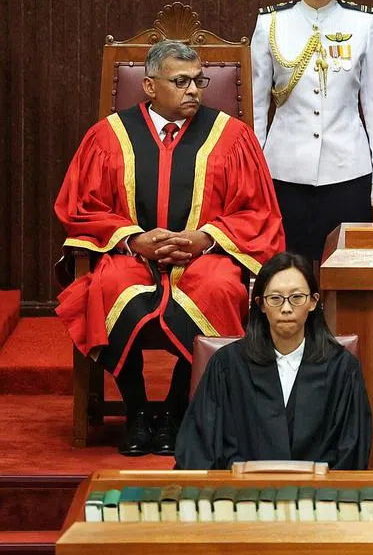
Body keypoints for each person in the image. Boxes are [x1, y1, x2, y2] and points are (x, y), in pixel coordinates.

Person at [55, 40, 285, 457]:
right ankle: (138, 411)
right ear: (148, 85)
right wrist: (133, 238)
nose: (194, 90)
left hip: (204, 258)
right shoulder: (108, 136)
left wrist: (206, 238)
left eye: (199, 80)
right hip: (131, 257)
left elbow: (258, 211)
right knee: (110, 286)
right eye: (181, 82)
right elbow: (81, 206)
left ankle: (177, 410)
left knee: (220, 288)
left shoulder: (232, 137)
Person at [251, 0, 373, 264]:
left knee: (346, 269)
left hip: (348, 168)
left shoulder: (363, 24)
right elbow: (255, 107)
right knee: (287, 267)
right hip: (284, 169)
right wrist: (253, 174)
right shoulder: (270, 23)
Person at [175, 251, 372, 470]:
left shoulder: (341, 367)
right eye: (276, 298)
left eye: (297, 297)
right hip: (241, 498)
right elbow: (199, 447)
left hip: (317, 499)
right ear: (260, 304)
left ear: (314, 302)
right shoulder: (227, 365)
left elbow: (351, 450)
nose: (286, 308)